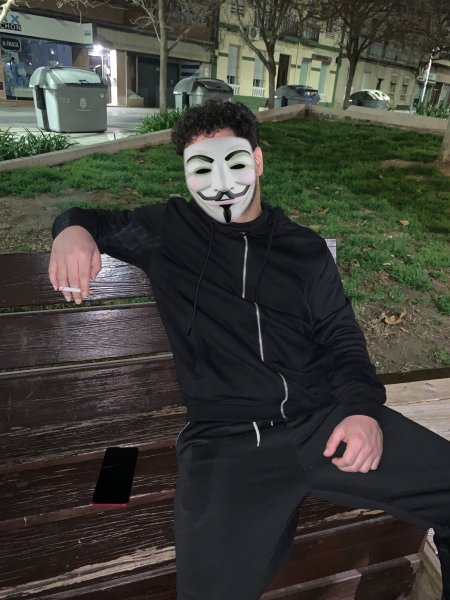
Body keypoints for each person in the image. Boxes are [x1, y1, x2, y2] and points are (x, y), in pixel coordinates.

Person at [49, 100, 450, 600]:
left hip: (324, 420)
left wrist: (362, 411)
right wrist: (71, 228)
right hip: (228, 443)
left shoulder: (303, 249)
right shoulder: (167, 232)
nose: (219, 183)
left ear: (257, 161)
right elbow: (90, 219)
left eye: (233, 162)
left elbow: (341, 338)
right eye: (201, 168)